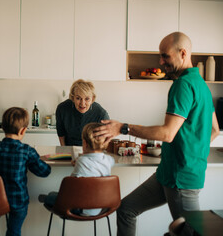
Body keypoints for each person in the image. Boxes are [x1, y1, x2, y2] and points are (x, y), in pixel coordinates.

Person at [93, 32, 220, 236]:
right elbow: (214, 129)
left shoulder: (183, 85)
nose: (161, 62)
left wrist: (122, 128)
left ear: (183, 53)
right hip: (167, 174)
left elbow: (167, 133)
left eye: (165, 56)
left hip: (181, 178)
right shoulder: (201, 85)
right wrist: (191, 147)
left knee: (188, 233)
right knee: (126, 209)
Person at [0, 107, 51, 236]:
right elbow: (45, 172)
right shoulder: (27, 151)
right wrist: (36, 158)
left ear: (3, 127)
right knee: (14, 231)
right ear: (23, 130)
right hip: (18, 202)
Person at [39, 122, 115, 216]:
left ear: (85, 143)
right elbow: (101, 161)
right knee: (54, 195)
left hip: (79, 208)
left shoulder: (82, 161)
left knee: (52, 196)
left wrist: (78, 162)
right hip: (100, 207)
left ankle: (46, 198)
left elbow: (71, 189)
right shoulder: (109, 160)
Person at [56, 79, 109, 146]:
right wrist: (64, 151)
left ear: (92, 98)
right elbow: (61, 134)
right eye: (78, 98)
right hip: (69, 148)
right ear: (73, 97)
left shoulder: (101, 114)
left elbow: (105, 139)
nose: (82, 103)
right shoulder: (62, 109)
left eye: (87, 99)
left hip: (91, 150)